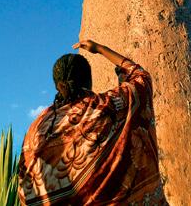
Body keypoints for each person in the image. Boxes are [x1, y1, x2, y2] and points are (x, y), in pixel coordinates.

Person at [18, 40, 167, 205]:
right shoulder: (106, 107)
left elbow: (27, 185)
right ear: (88, 80)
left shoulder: (39, 126)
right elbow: (141, 77)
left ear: (57, 85)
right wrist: (101, 49)